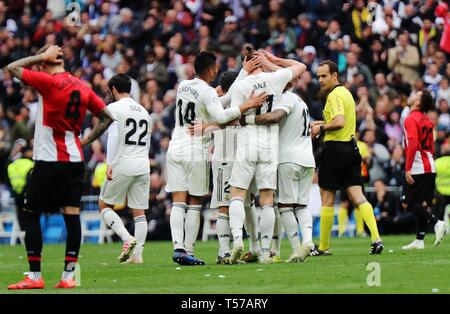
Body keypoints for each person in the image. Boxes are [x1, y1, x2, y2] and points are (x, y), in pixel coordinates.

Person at [7, 45, 113, 289]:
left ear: (45, 63)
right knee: (71, 215)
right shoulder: (82, 86)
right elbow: (107, 117)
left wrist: (39, 56)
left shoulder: (48, 82)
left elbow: (13, 68)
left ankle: (34, 276)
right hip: (75, 161)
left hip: (49, 160)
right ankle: (68, 277)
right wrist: (86, 140)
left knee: (30, 213)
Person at [165, 51, 264, 266]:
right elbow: (220, 115)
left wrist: (242, 73)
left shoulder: (183, 86)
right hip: (195, 151)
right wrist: (246, 105)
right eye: (216, 68)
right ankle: (188, 250)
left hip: (175, 148)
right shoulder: (208, 92)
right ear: (211, 70)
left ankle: (178, 247)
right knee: (194, 203)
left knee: (178, 201)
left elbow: (221, 101)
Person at [228, 47, 306, 264]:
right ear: (260, 60)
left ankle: (236, 240)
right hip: (269, 145)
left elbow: (234, 116)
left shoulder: (241, 85)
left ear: (245, 63)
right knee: (267, 200)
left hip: (247, 141)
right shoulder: (275, 78)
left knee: (237, 194)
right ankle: (264, 252)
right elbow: (301, 66)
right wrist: (275, 60)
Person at [310, 60, 384, 255]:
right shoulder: (346, 94)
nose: (320, 80)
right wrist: (324, 122)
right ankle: (376, 238)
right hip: (351, 150)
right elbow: (342, 119)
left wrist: (321, 127)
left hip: (335, 150)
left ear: (335, 76)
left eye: (324, 76)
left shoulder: (334, 95)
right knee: (358, 197)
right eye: (318, 76)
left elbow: (339, 122)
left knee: (326, 199)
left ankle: (324, 247)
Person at [98, 74, 151, 264]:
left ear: (113, 89)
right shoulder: (144, 110)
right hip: (142, 163)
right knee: (139, 211)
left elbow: (113, 136)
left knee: (104, 205)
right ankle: (138, 255)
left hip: (123, 161)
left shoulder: (113, 108)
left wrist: (110, 162)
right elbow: (147, 142)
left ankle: (127, 239)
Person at [401, 91, 447, 250]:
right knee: (422, 203)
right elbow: (431, 145)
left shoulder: (411, 118)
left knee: (408, 203)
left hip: (418, 165)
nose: (412, 95)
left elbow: (412, 143)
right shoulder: (426, 120)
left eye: (417, 94)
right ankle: (419, 240)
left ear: (418, 103)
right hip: (429, 163)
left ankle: (437, 223)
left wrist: (408, 168)